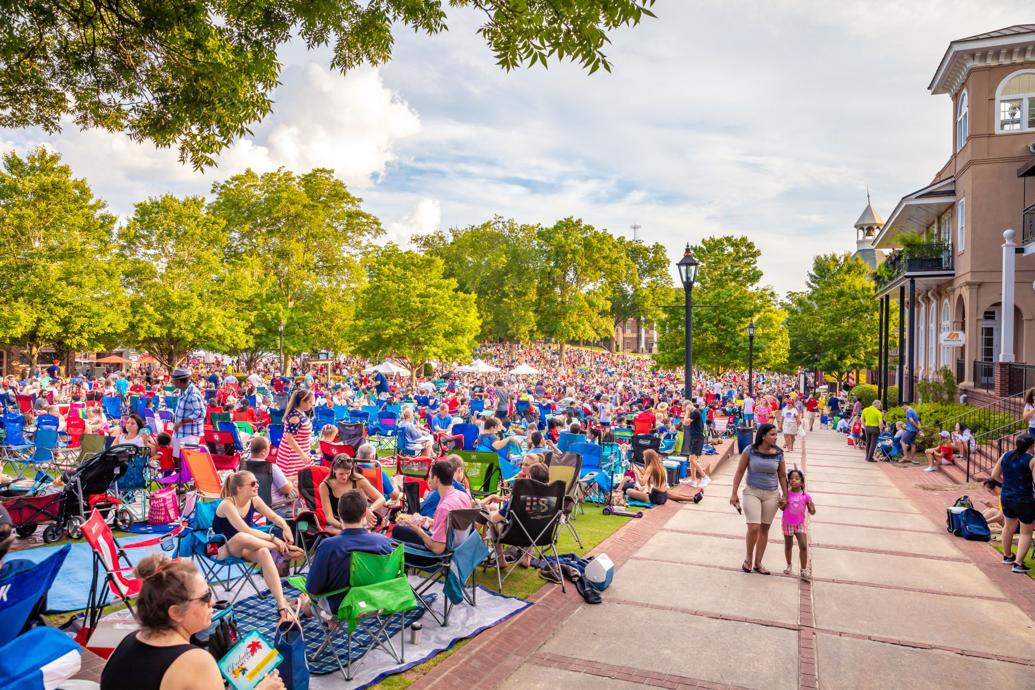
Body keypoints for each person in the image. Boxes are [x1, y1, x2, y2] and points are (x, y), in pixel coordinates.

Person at [100, 555, 285, 690]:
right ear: (176, 612)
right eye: (205, 596)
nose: (213, 603)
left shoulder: (128, 640)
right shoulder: (195, 661)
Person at [213, 471, 303, 623]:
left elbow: (273, 516)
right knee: (242, 536)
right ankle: (283, 550)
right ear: (240, 488)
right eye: (253, 483)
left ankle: (281, 603)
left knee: (263, 552)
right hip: (223, 550)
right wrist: (275, 540)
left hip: (246, 548)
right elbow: (245, 530)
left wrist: (285, 526)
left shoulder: (253, 499)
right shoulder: (227, 504)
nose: (258, 485)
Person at [305, 489, 395, 613]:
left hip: (341, 606)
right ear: (365, 514)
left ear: (339, 513)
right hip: (377, 602)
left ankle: (327, 619)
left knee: (306, 603)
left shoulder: (329, 546)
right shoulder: (383, 542)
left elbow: (313, 588)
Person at [729, 424, 788, 575]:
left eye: (776, 434)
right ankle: (748, 558)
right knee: (754, 526)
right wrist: (734, 493)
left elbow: (782, 475)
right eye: (772, 434)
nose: (776, 437)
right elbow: (740, 471)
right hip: (752, 491)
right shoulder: (750, 450)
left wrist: (785, 495)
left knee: (764, 528)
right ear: (763, 436)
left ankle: (758, 562)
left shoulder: (779, 453)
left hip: (772, 494)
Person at [392, 459, 474, 565]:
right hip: (460, 549)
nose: (429, 480)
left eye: (430, 476)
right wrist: (431, 521)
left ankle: (401, 572)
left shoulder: (445, 507)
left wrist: (417, 530)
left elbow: (437, 548)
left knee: (398, 530)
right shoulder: (462, 496)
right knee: (404, 529)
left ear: (436, 479)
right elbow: (453, 524)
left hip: (440, 557)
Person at [988, 433, 1035, 573]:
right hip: (1024, 498)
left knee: (1008, 527)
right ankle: (1018, 563)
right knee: (1026, 532)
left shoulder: (1006, 455)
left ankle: (1007, 556)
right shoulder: (1032, 460)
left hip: (1007, 496)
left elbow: (994, 476)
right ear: (1032, 445)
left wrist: (1007, 484)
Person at [318, 455, 386, 534]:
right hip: (339, 522)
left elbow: (381, 498)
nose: (345, 477)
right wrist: (344, 527)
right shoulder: (325, 486)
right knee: (331, 530)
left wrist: (370, 509)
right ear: (334, 470)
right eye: (341, 474)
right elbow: (329, 517)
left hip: (359, 519)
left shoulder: (358, 480)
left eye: (348, 473)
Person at [781, 469, 815, 580]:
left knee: (803, 546)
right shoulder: (787, 494)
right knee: (788, 546)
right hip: (787, 523)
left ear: (802, 482)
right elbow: (782, 508)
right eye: (791, 479)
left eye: (796, 478)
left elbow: (812, 511)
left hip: (800, 524)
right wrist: (781, 503)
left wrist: (811, 507)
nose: (793, 480)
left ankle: (804, 570)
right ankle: (789, 565)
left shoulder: (806, 496)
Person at [248, 436, 296, 514]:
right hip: (272, 505)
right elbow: (287, 490)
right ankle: (295, 517)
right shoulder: (271, 468)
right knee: (297, 484)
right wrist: (290, 483)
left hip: (249, 504)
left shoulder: (240, 467)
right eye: (268, 449)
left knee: (293, 478)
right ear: (263, 452)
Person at [276, 389, 315, 479]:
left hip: (300, 454)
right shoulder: (295, 417)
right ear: (302, 402)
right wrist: (302, 455)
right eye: (310, 402)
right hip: (292, 458)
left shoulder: (301, 413)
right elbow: (289, 437)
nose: (311, 404)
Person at [171, 368, 205, 460]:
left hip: (190, 433)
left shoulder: (193, 394)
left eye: (173, 380)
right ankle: (179, 474)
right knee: (176, 457)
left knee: (188, 460)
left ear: (179, 382)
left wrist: (181, 422)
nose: (172, 382)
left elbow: (200, 413)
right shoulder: (183, 390)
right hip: (180, 431)